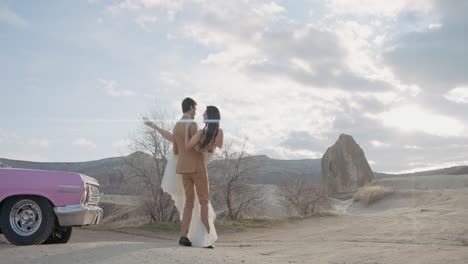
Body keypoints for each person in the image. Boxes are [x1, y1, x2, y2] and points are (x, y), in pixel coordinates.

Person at [144, 100, 223, 248]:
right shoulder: (192, 125)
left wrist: (154, 126)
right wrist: (209, 147)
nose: (197, 112)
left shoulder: (177, 126)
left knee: (189, 203)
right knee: (203, 202)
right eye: (196, 108)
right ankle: (205, 238)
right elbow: (197, 147)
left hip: (183, 169)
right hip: (197, 168)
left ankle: (183, 236)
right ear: (191, 107)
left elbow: (174, 145)